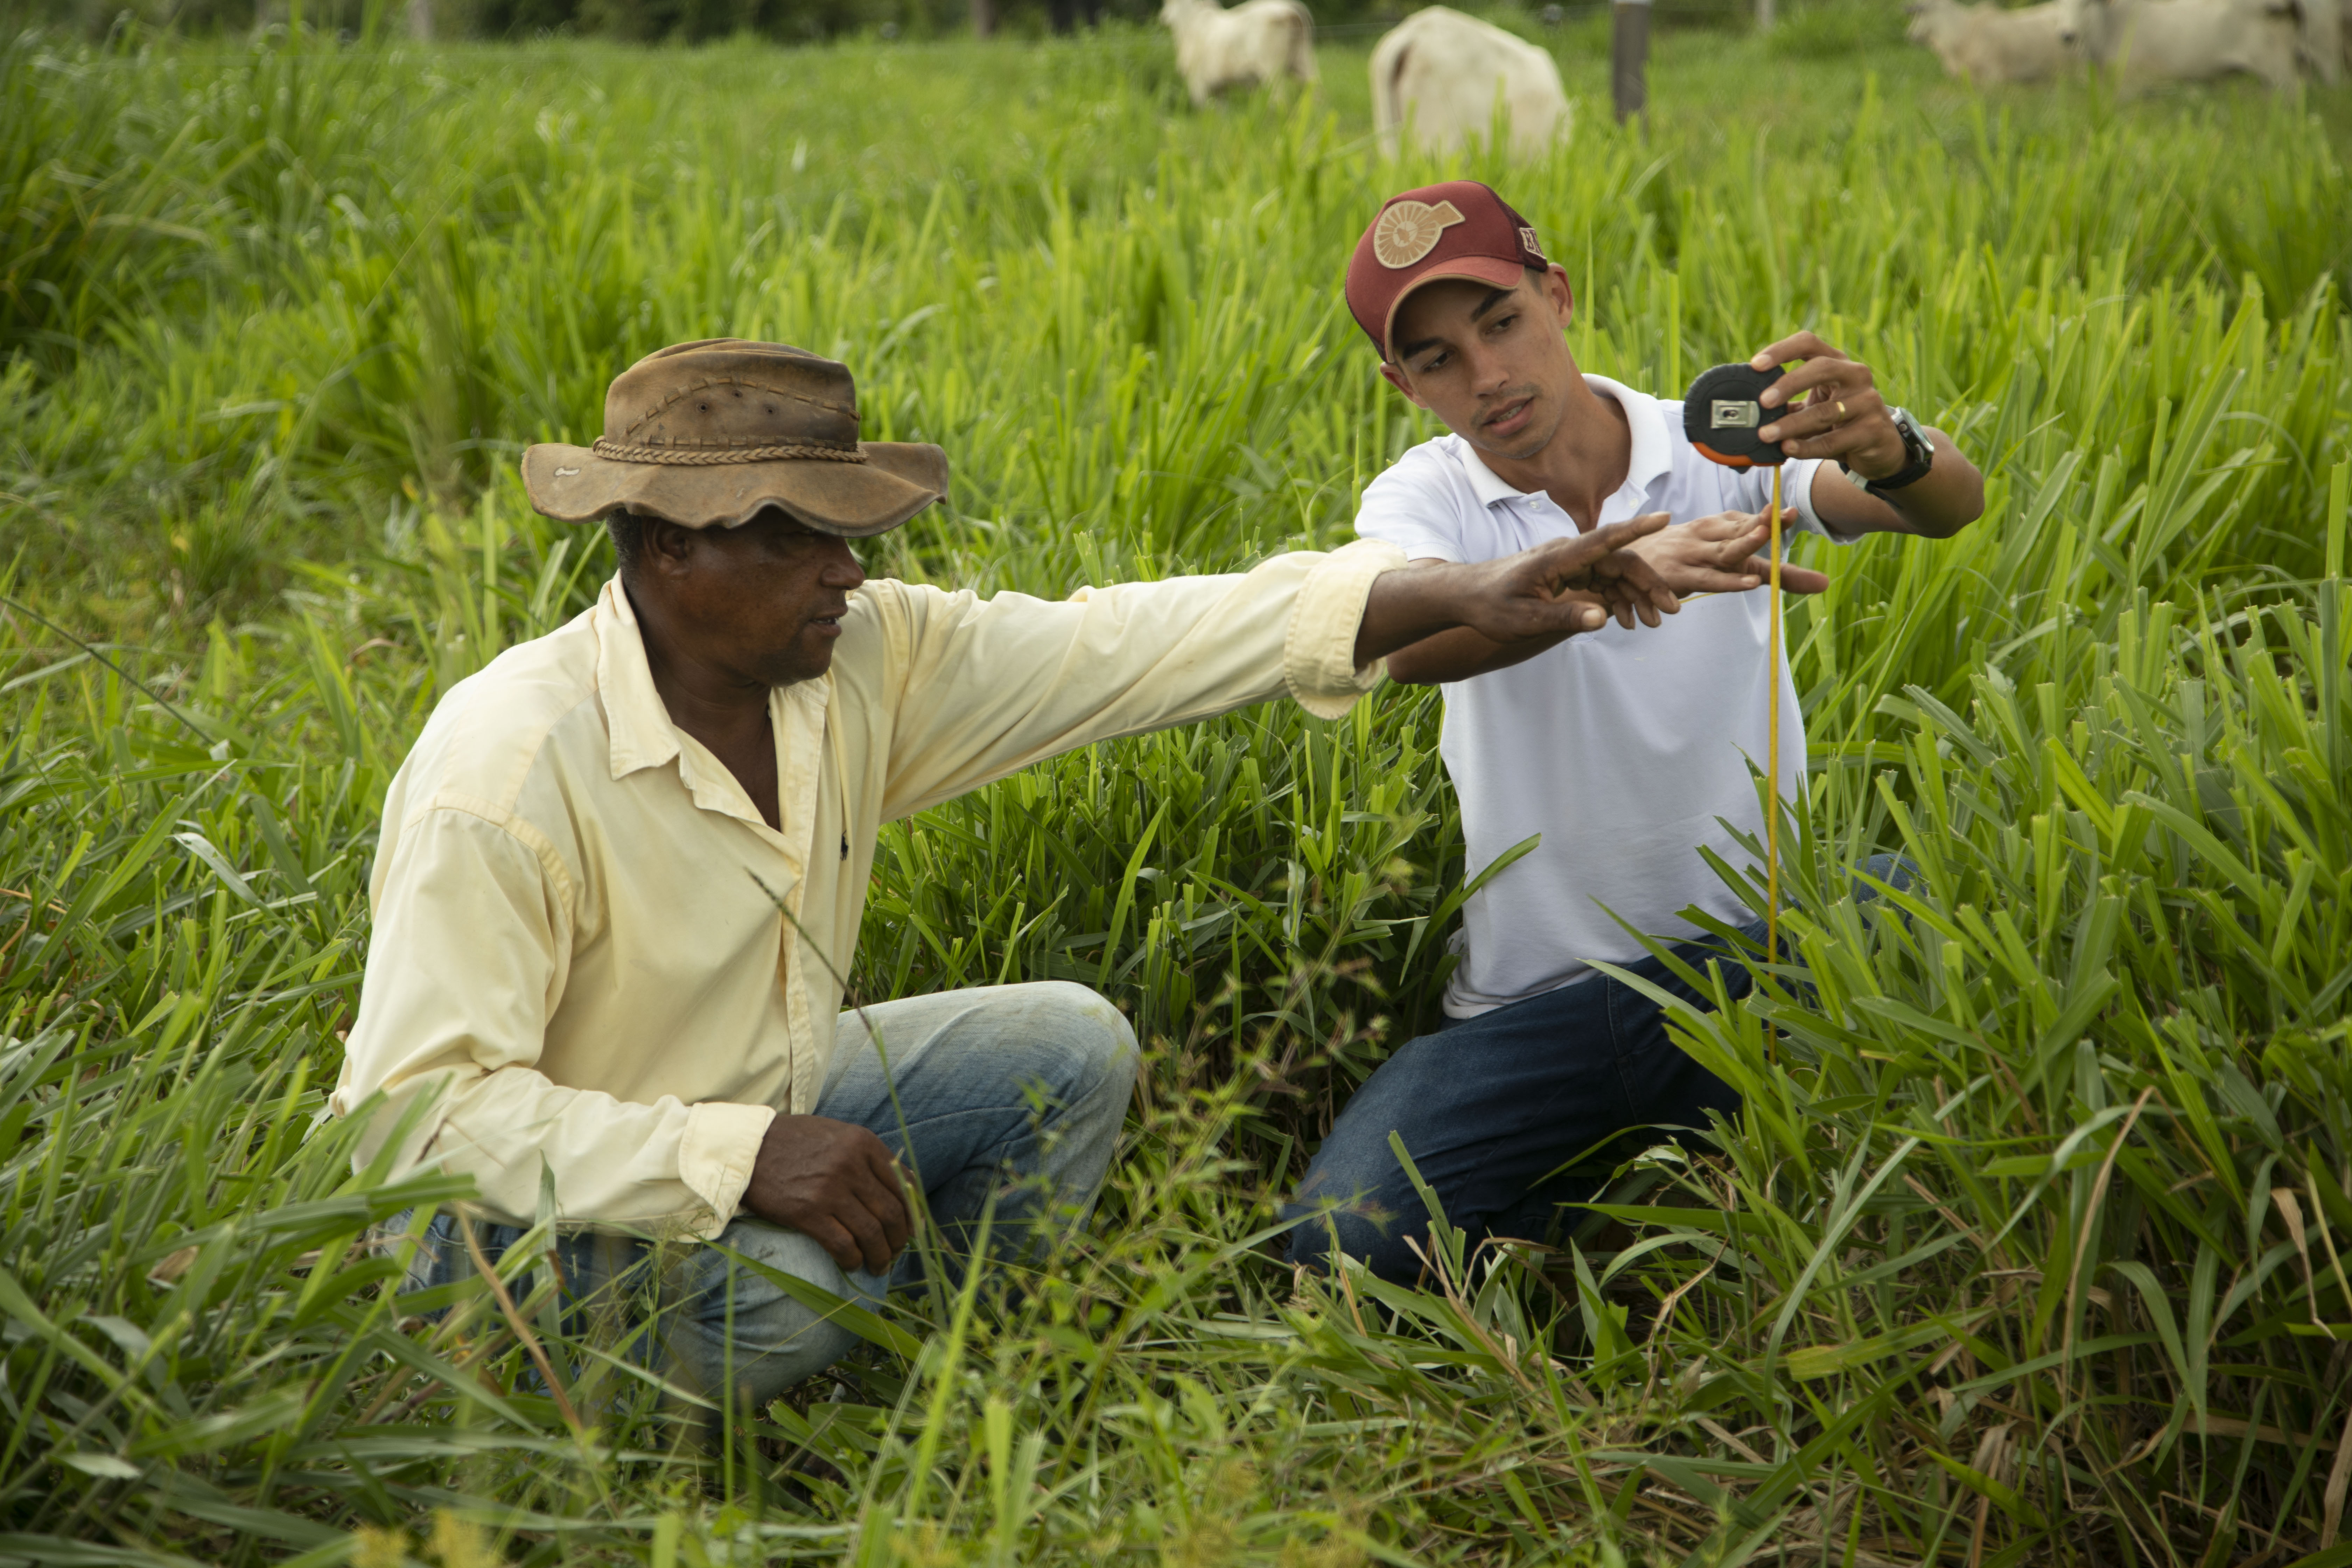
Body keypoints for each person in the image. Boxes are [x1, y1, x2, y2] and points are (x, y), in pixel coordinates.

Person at [331, 337, 1777, 1413]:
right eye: (800, 537)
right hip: (521, 1247)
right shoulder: (510, 771)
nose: (847, 572)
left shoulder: (850, 666)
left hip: (731, 1095)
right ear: (667, 550)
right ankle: (608, 1421)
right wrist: (734, 1157)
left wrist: (1454, 593)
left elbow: (1123, 645)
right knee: (804, 1295)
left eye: (852, 535)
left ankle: (964, 1389)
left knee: (1071, 1045)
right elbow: (412, 1124)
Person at [1284, 182, 1985, 1282]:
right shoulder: (1426, 500)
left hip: (1757, 958)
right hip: (1533, 1008)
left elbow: (1942, 503)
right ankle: (1608, 1184)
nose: (1488, 379)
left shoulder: (1715, 441)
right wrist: (1604, 580)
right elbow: (1402, 636)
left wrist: (1889, 444)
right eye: (1436, 361)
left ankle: (1666, 1172)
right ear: (1401, 385)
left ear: (1556, 296)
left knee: (1926, 905)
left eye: (1501, 324)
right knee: (1345, 1244)